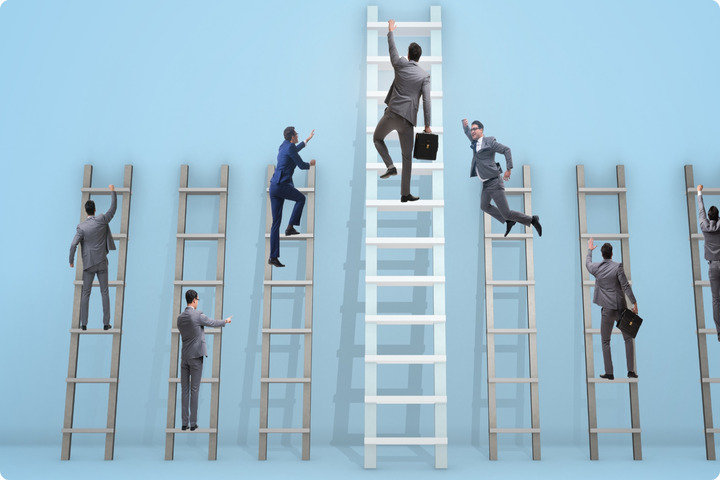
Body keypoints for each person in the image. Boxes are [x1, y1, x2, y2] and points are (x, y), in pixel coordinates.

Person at [373, 19, 431, 202]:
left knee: (377, 138)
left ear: (408, 54)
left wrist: (390, 31)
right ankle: (405, 194)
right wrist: (427, 125)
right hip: (408, 121)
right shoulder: (424, 76)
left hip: (392, 114)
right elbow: (427, 101)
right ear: (419, 57)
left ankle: (390, 166)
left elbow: (392, 50)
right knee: (407, 157)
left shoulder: (400, 64)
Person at [462, 118, 542, 237]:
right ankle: (508, 221)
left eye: (475, 129)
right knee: (484, 206)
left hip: (494, 182)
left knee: (507, 212)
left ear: (481, 130)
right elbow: (468, 133)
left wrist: (508, 169)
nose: (472, 131)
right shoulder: (474, 143)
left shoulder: (489, 142)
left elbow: (506, 150)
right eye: (472, 129)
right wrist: (465, 126)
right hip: (486, 184)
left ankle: (532, 220)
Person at [176, 289, 231, 431]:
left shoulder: (180, 318)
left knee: (184, 391)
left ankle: (184, 423)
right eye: (198, 299)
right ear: (194, 300)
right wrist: (225, 321)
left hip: (184, 357)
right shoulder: (197, 315)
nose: (197, 302)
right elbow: (212, 322)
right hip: (196, 357)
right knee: (195, 390)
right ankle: (193, 423)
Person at [586, 238, 638, 380]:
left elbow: (588, 264)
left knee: (605, 341)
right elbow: (625, 286)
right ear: (612, 254)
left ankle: (609, 373)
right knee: (628, 339)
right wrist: (634, 302)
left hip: (607, 310)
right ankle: (630, 371)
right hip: (620, 308)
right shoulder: (618, 267)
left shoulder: (596, 268)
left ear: (602, 255)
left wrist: (590, 249)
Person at [68, 184, 117, 330]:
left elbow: (73, 245)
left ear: (86, 211)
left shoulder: (81, 227)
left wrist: (71, 261)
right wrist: (112, 192)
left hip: (88, 264)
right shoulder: (102, 219)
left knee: (85, 294)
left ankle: (84, 324)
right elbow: (113, 209)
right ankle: (106, 324)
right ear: (94, 210)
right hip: (102, 262)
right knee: (104, 292)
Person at [268, 126, 316, 267]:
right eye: (296, 134)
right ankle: (290, 227)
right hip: (282, 185)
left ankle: (273, 257)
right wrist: (311, 164)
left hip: (274, 186)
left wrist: (306, 141)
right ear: (292, 137)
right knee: (301, 199)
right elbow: (301, 165)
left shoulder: (283, 146)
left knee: (275, 224)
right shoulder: (289, 148)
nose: (298, 136)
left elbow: (292, 150)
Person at [697, 184, 720, 341]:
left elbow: (701, 210)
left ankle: (719, 332)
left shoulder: (704, 227)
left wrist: (699, 193)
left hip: (713, 267)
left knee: (716, 300)